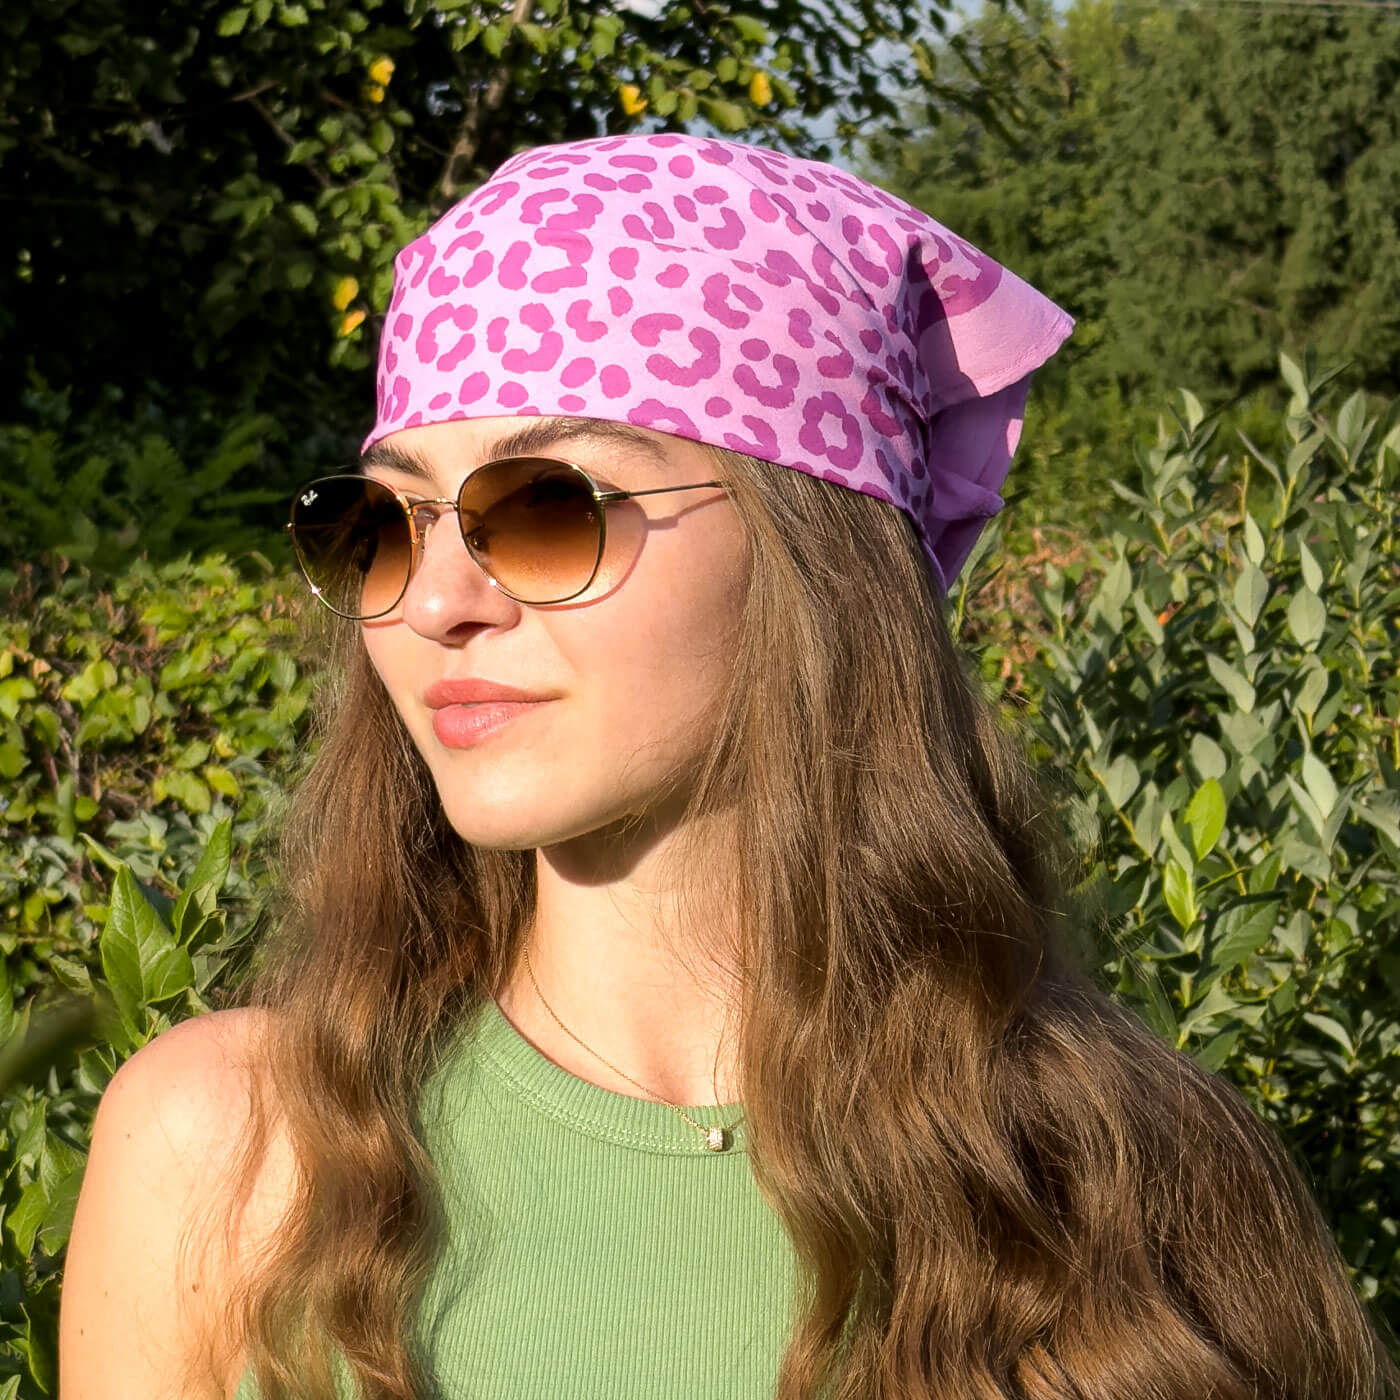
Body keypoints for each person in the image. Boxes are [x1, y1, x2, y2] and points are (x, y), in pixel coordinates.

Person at [59, 134, 1398, 1400]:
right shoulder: (233, 1150)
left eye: (544, 508)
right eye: (388, 520)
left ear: (816, 562)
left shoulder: (1134, 1182)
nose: (434, 603)